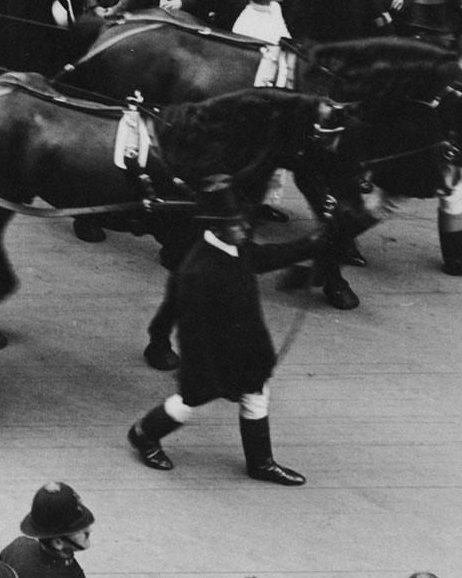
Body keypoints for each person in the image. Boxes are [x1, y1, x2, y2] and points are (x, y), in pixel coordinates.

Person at [126, 178, 326, 485]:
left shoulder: (236, 246)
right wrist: (201, 374)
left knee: (256, 394)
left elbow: (270, 256)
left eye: (244, 222)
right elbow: (191, 334)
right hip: (213, 358)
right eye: (237, 225)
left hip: (247, 348)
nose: (245, 229)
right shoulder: (196, 272)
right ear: (217, 227)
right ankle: (145, 434)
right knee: (188, 402)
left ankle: (261, 463)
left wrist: (313, 242)